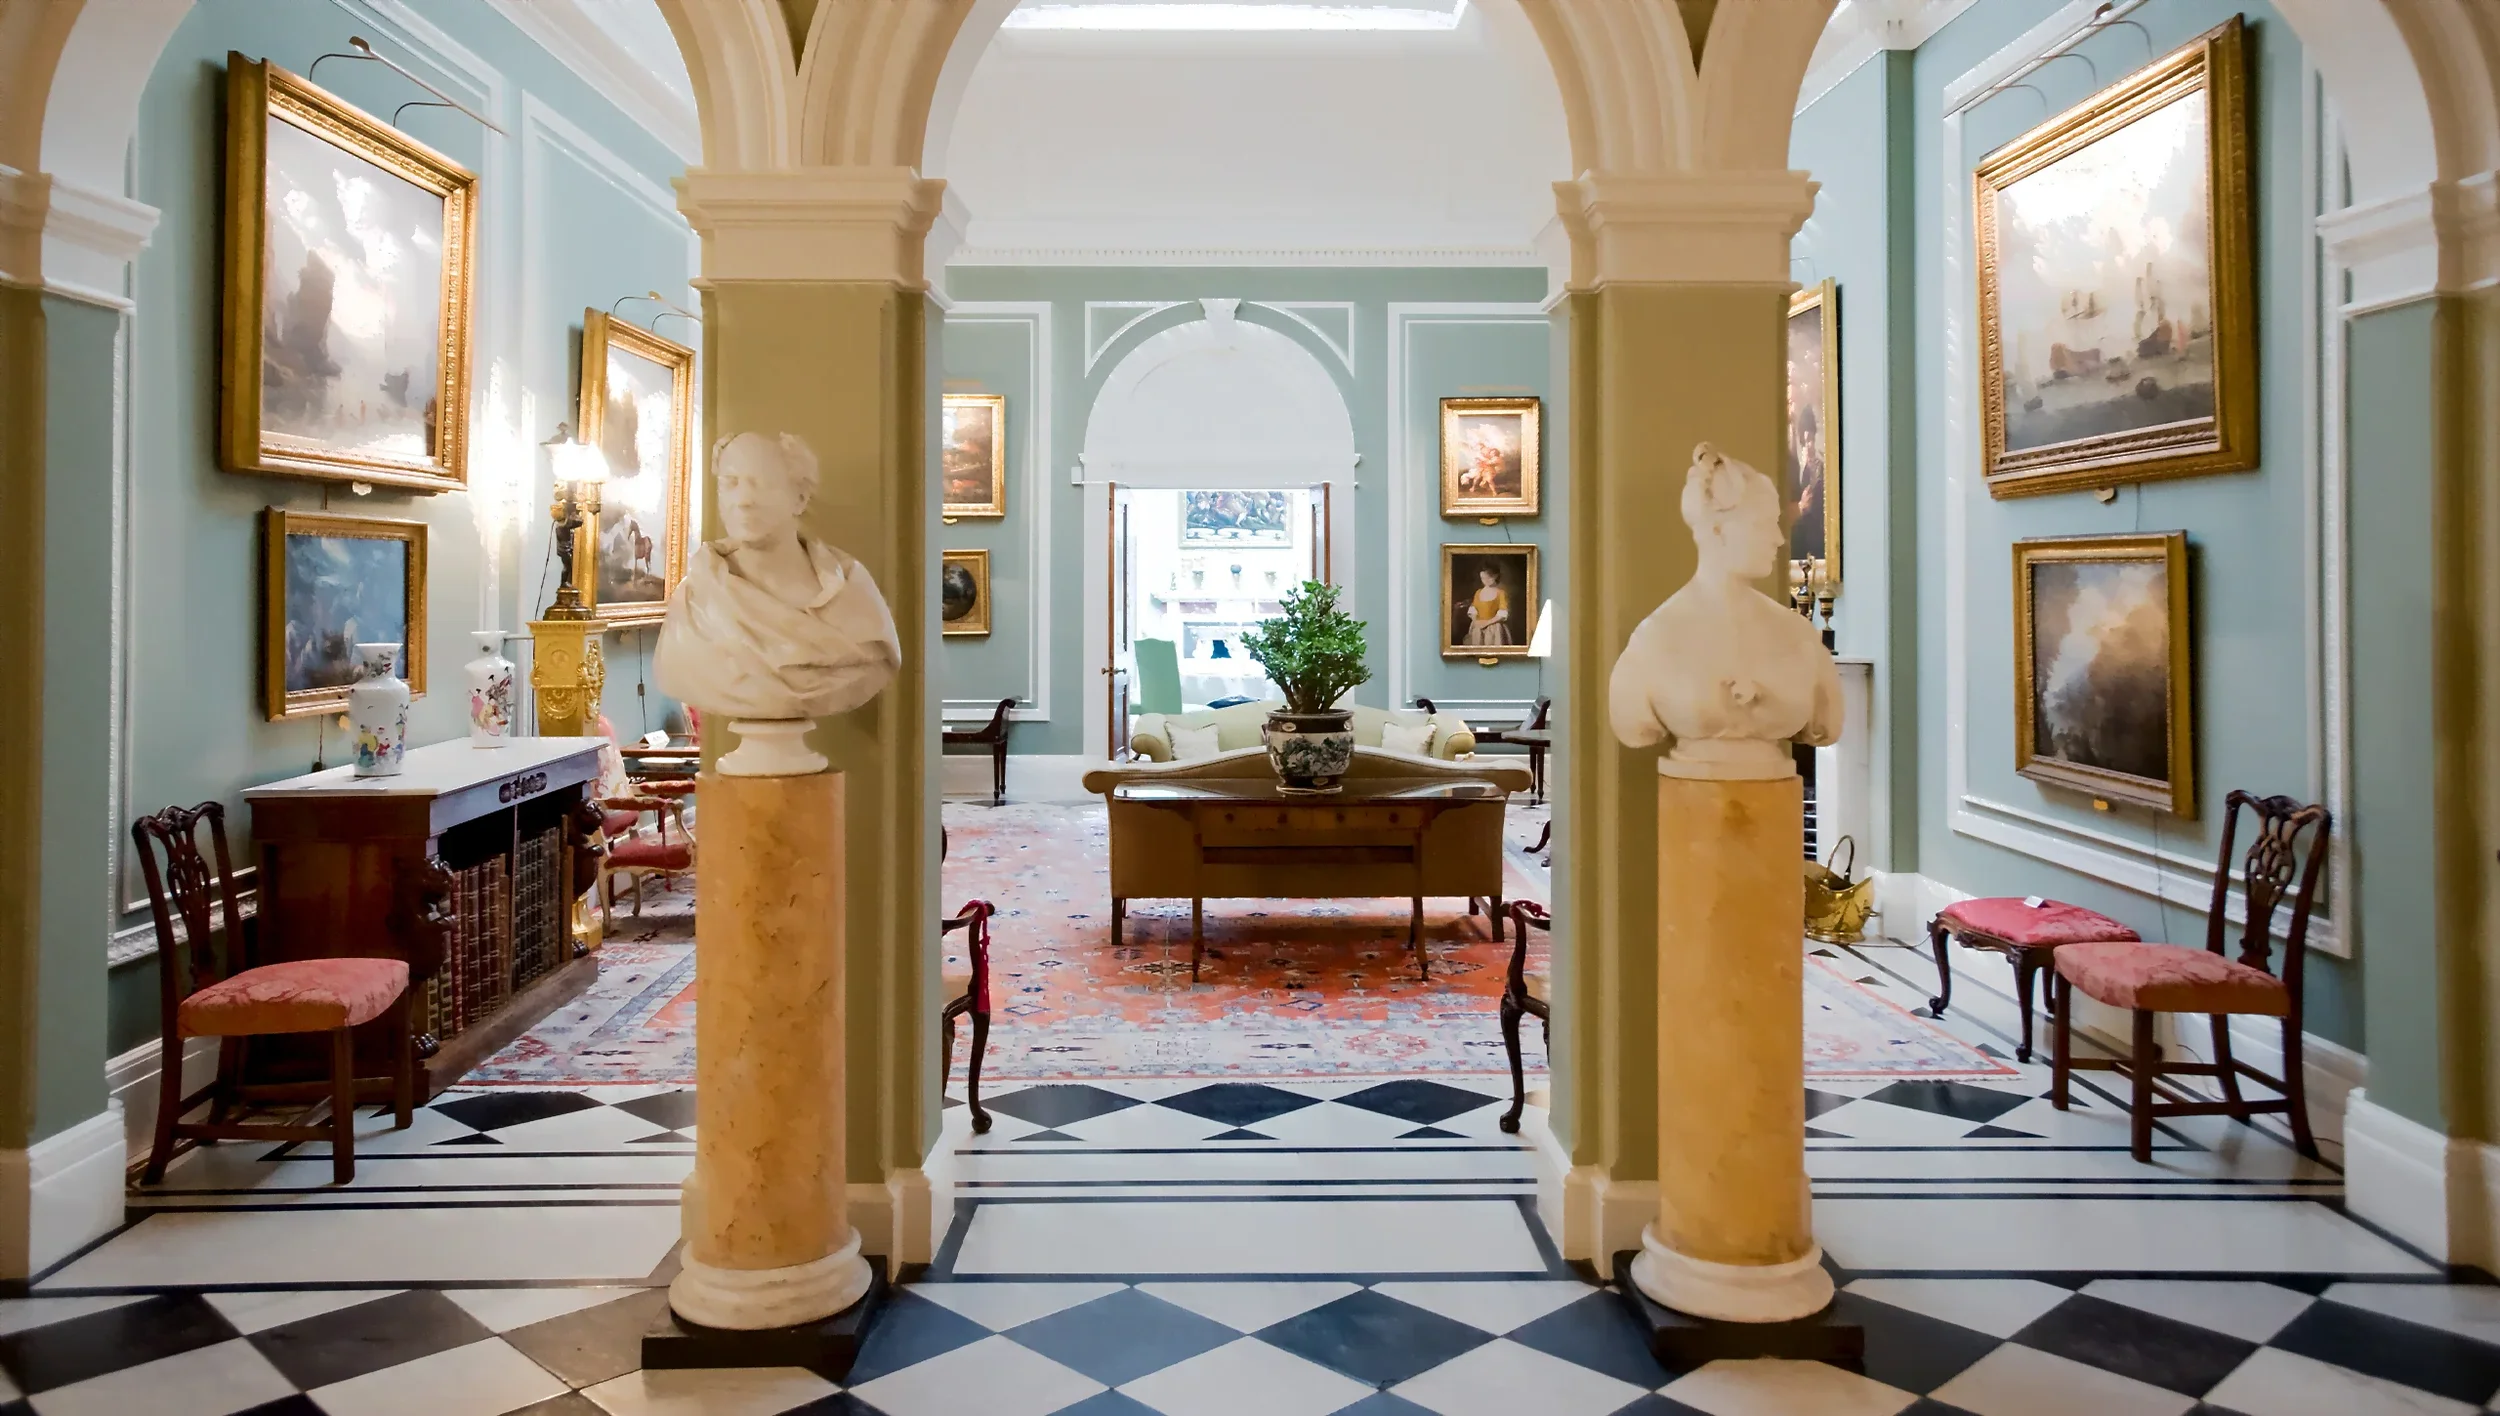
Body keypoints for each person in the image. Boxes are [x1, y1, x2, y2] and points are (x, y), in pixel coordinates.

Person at [654, 431, 900, 723]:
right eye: (730, 484)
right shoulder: (695, 601)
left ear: (799, 499)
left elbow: (875, 662)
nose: (743, 500)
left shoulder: (852, 592)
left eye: (763, 484)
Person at [1461, 564, 1512, 647]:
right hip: (1478, 626)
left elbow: (1502, 613)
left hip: (1494, 627)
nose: (1485, 580)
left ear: (1496, 576)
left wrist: (1487, 623)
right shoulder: (1478, 592)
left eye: (1488, 577)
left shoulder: (1500, 593)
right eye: (1483, 578)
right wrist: (1476, 621)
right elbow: (1473, 610)